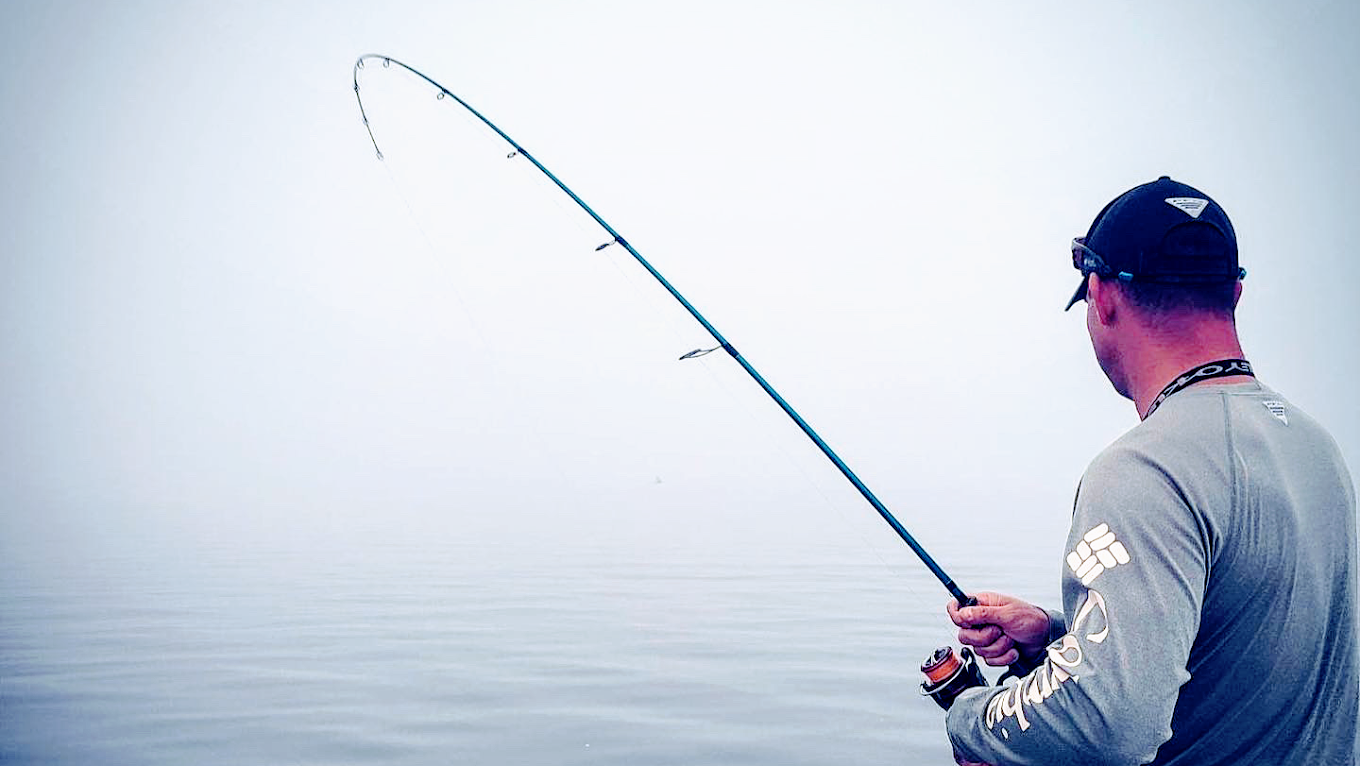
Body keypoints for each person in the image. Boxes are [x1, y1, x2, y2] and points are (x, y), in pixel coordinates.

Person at [942, 176, 1358, 765]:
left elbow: (1108, 725)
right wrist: (1058, 637)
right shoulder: (1316, 448)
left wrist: (969, 719)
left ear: (1101, 294)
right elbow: (1237, 657)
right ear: (1234, 294)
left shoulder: (1143, 471)